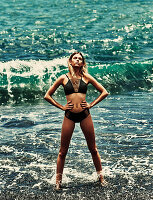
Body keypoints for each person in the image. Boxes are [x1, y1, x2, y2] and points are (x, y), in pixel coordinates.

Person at [44, 52, 109, 190]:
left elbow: (104, 92)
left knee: (93, 149)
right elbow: (47, 95)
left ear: (83, 63)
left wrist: (91, 104)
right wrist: (62, 107)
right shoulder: (63, 78)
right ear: (70, 61)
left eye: (80, 59)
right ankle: (58, 183)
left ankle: (101, 178)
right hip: (69, 116)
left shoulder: (86, 77)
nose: (78, 60)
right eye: (75, 58)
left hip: (85, 115)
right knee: (62, 151)